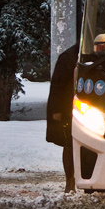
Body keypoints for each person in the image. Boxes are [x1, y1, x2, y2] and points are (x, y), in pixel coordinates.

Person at [46, 42, 79, 192]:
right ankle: (70, 181)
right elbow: (58, 86)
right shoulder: (69, 57)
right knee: (70, 143)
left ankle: (72, 181)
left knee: (71, 144)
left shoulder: (71, 56)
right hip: (70, 107)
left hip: (76, 106)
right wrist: (56, 110)